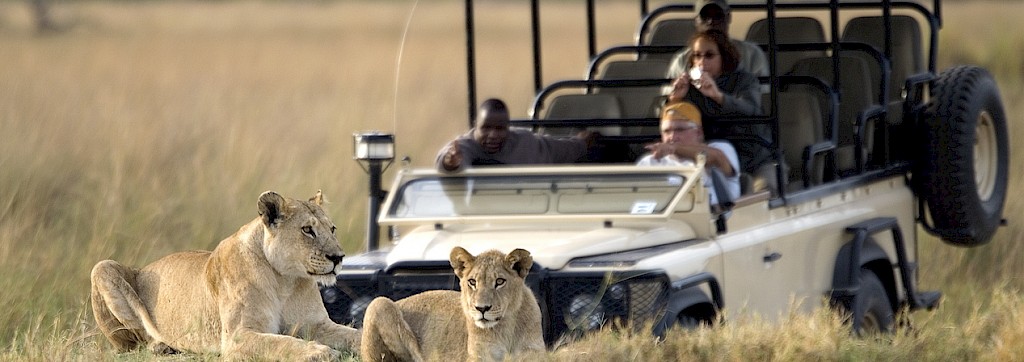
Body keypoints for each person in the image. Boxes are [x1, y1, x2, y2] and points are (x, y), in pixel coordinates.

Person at [664, 29, 782, 194]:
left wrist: (718, 96)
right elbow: (669, 124)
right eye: (697, 56)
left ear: (724, 57)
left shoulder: (745, 81)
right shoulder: (690, 89)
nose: (701, 62)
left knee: (762, 195)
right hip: (711, 161)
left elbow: (751, 110)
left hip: (755, 161)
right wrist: (674, 100)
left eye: (709, 55)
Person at [436, 98, 594, 172]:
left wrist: (582, 143)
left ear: (508, 128)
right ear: (476, 125)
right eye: (486, 128)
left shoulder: (525, 142)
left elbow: (559, 149)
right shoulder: (466, 145)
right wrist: (451, 162)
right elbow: (448, 159)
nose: (492, 135)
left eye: (500, 129)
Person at [637, 101, 740, 206]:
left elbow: (716, 158)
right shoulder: (650, 162)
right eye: (667, 131)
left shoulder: (720, 147)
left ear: (698, 133)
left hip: (718, 219)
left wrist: (674, 148)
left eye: (680, 130)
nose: (672, 137)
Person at [665, 0, 769, 79]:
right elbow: (668, 101)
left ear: (728, 18)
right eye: (705, 16)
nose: (711, 21)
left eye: (717, 16)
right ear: (696, 21)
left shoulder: (751, 55)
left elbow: (761, 98)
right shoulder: (682, 60)